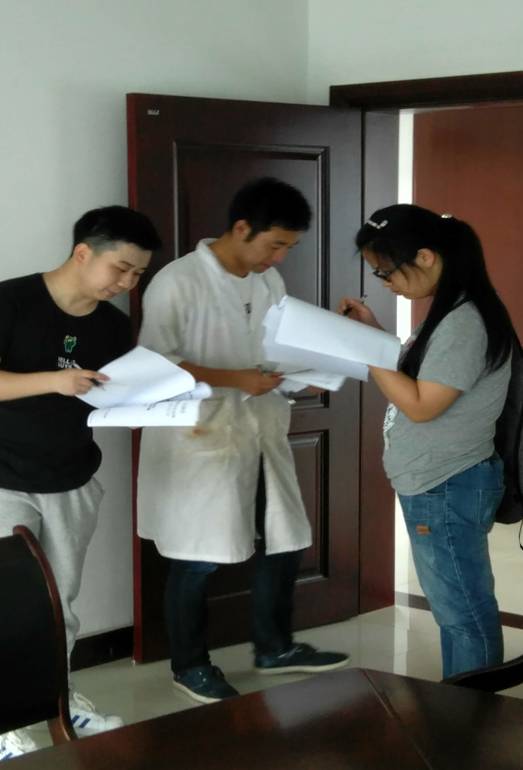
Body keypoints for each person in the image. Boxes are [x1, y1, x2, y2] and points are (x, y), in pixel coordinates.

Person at [138, 177, 349, 704]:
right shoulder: (177, 281)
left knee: (282, 543)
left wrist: (307, 371)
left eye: (288, 248)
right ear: (240, 228)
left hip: (260, 431)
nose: (279, 258)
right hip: (200, 439)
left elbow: (275, 351)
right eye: (274, 245)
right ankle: (189, 666)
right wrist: (236, 379)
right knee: (196, 556)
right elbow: (153, 364)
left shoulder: (267, 282)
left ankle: (274, 648)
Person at [0, 205, 161, 761]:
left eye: (137, 274)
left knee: (57, 603)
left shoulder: (112, 326)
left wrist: (150, 406)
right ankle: (3, 720)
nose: (127, 282)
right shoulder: (11, 301)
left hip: (72, 479)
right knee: (8, 602)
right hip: (4, 479)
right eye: (121, 268)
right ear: (83, 252)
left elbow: (112, 396)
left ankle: (59, 703)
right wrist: (56, 381)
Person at [338, 203, 515, 679]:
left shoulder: (464, 322)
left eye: (385, 270)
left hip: (447, 484)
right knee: (457, 609)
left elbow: (421, 404)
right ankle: (463, 705)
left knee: (464, 614)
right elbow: (421, 376)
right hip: (438, 482)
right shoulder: (451, 312)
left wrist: (365, 350)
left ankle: (473, 715)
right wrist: (374, 334)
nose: (384, 282)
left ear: (426, 257)